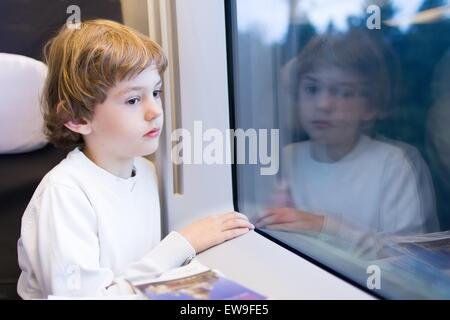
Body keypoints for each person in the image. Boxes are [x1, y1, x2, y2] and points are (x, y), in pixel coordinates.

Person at [17, 19, 254, 299]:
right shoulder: (65, 194)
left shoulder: (145, 171)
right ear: (77, 118)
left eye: (155, 92)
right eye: (132, 100)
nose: (155, 110)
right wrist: (183, 244)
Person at [254, 30, 439, 246]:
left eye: (344, 92)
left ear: (370, 106)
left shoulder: (394, 163)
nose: (323, 104)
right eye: (312, 89)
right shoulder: (286, 158)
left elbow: (409, 257)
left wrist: (324, 226)